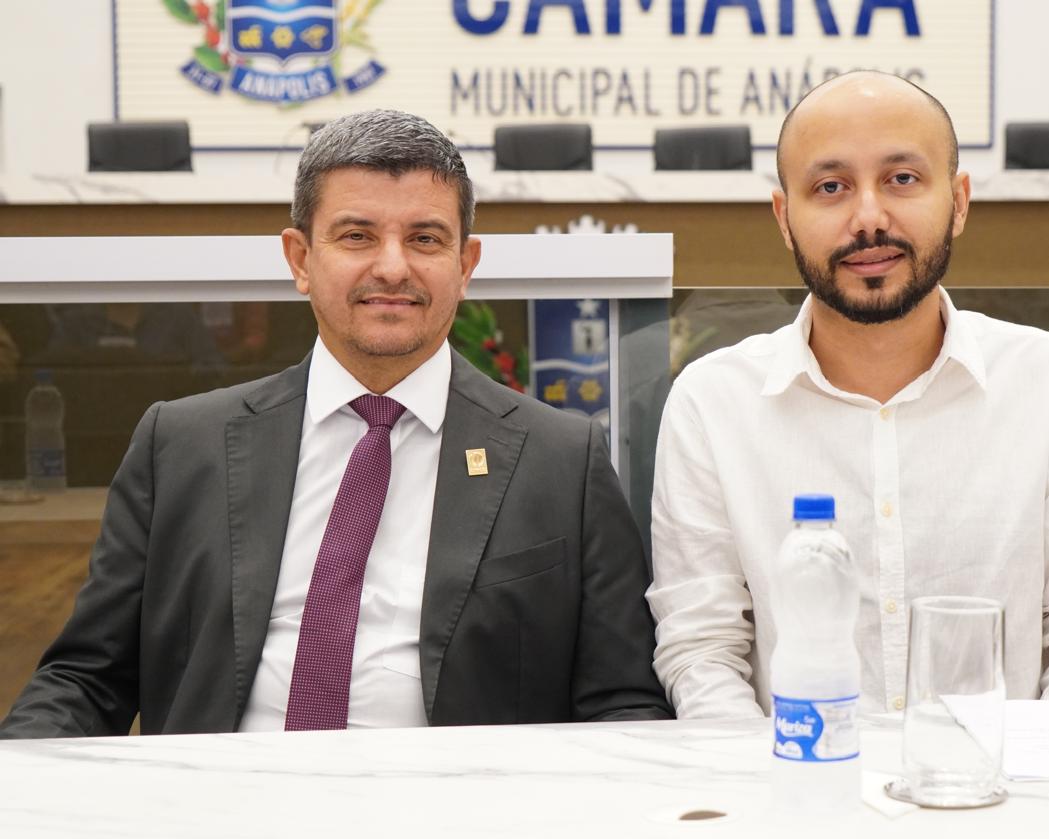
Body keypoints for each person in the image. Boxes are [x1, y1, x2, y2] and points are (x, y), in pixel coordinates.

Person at [1, 109, 671, 738]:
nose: (391, 266)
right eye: (356, 235)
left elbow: (622, 700)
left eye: (425, 238)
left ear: (465, 266)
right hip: (219, 812)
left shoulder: (562, 460)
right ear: (299, 259)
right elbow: (85, 678)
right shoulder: (180, 444)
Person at [647, 72, 1049, 718]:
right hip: (796, 793)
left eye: (902, 179)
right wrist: (772, 798)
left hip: (1001, 794)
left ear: (959, 200)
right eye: (830, 187)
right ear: (784, 218)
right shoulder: (714, 402)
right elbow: (702, 649)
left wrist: (1029, 785)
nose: (868, 218)